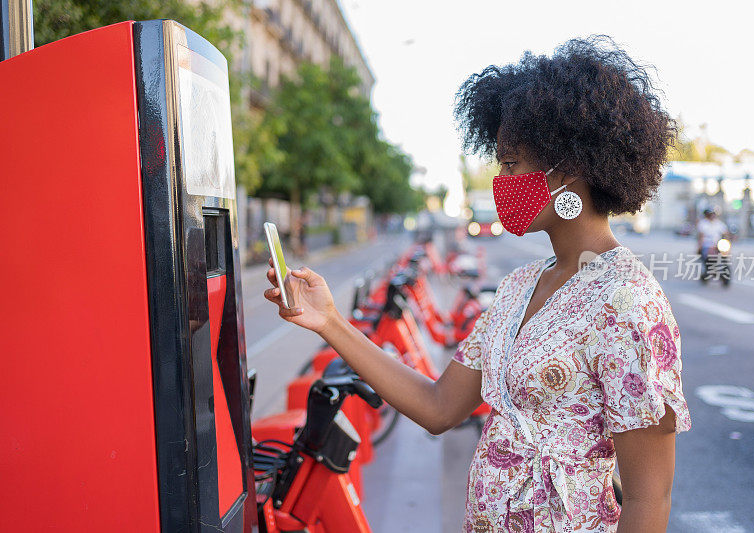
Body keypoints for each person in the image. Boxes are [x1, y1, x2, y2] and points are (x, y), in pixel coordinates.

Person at [264, 36, 691, 533]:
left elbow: (649, 498)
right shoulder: (517, 288)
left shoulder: (629, 302)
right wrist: (330, 322)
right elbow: (440, 407)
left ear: (569, 172)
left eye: (512, 165)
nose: (502, 181)